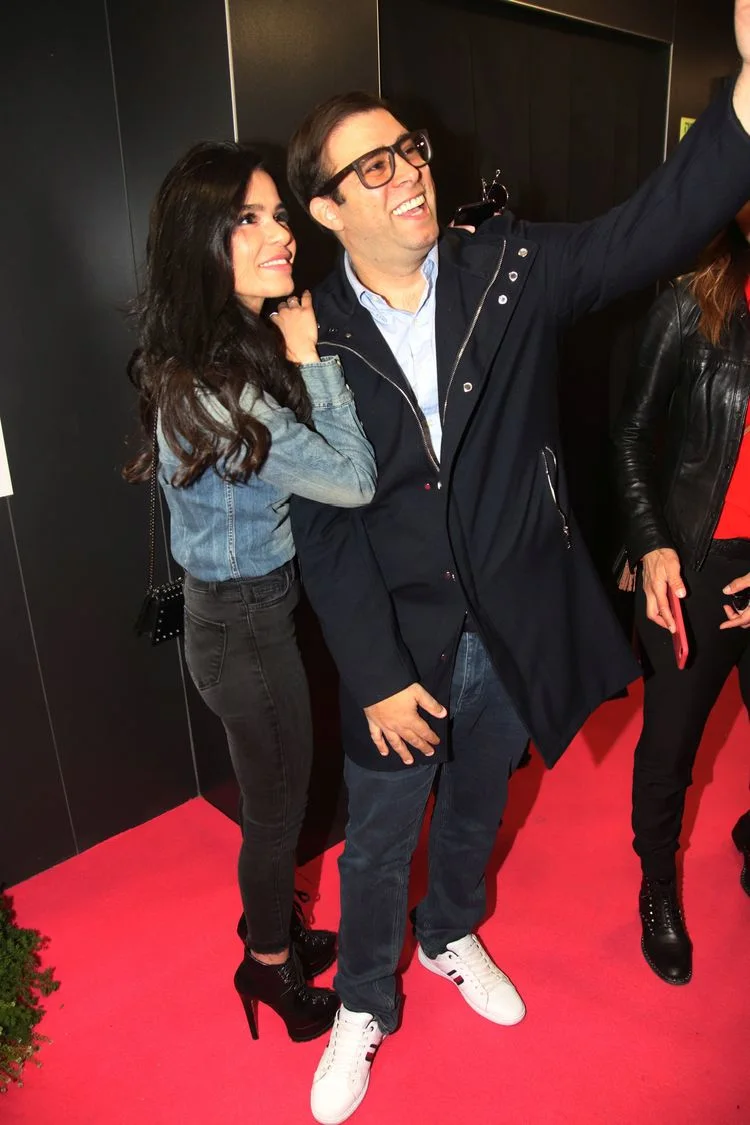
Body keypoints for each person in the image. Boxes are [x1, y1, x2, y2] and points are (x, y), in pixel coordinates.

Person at [281, 7, 750, 1117]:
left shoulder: (510, 268)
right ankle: (363, 1000)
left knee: (480, 804)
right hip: (395, 645)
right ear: (328, 208)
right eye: (374, 165)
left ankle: (448, 934)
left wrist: (747, 96)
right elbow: (325, 530)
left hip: (510, 622)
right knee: (377, 840)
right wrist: (374, 671)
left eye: (410, 151)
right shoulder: (306, 338)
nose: (408, 172)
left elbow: (651, 227)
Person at [123, 142, 377, 1043]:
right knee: (277, 815)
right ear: (203, 241)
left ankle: (274, 930)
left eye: (278, 214)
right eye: (249, 220)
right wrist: (313, 360)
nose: (282, 236)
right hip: (247, 625)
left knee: (277, 803)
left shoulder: (199, 351)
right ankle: (267, 964)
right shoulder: (228, 391)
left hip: (235, 617)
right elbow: (353, 479)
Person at [613, 206, 750, 986]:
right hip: (693, 563)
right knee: (670, 748)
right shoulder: (690, 305)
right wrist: (651, 542)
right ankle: (657, 884)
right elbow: (631, 433)